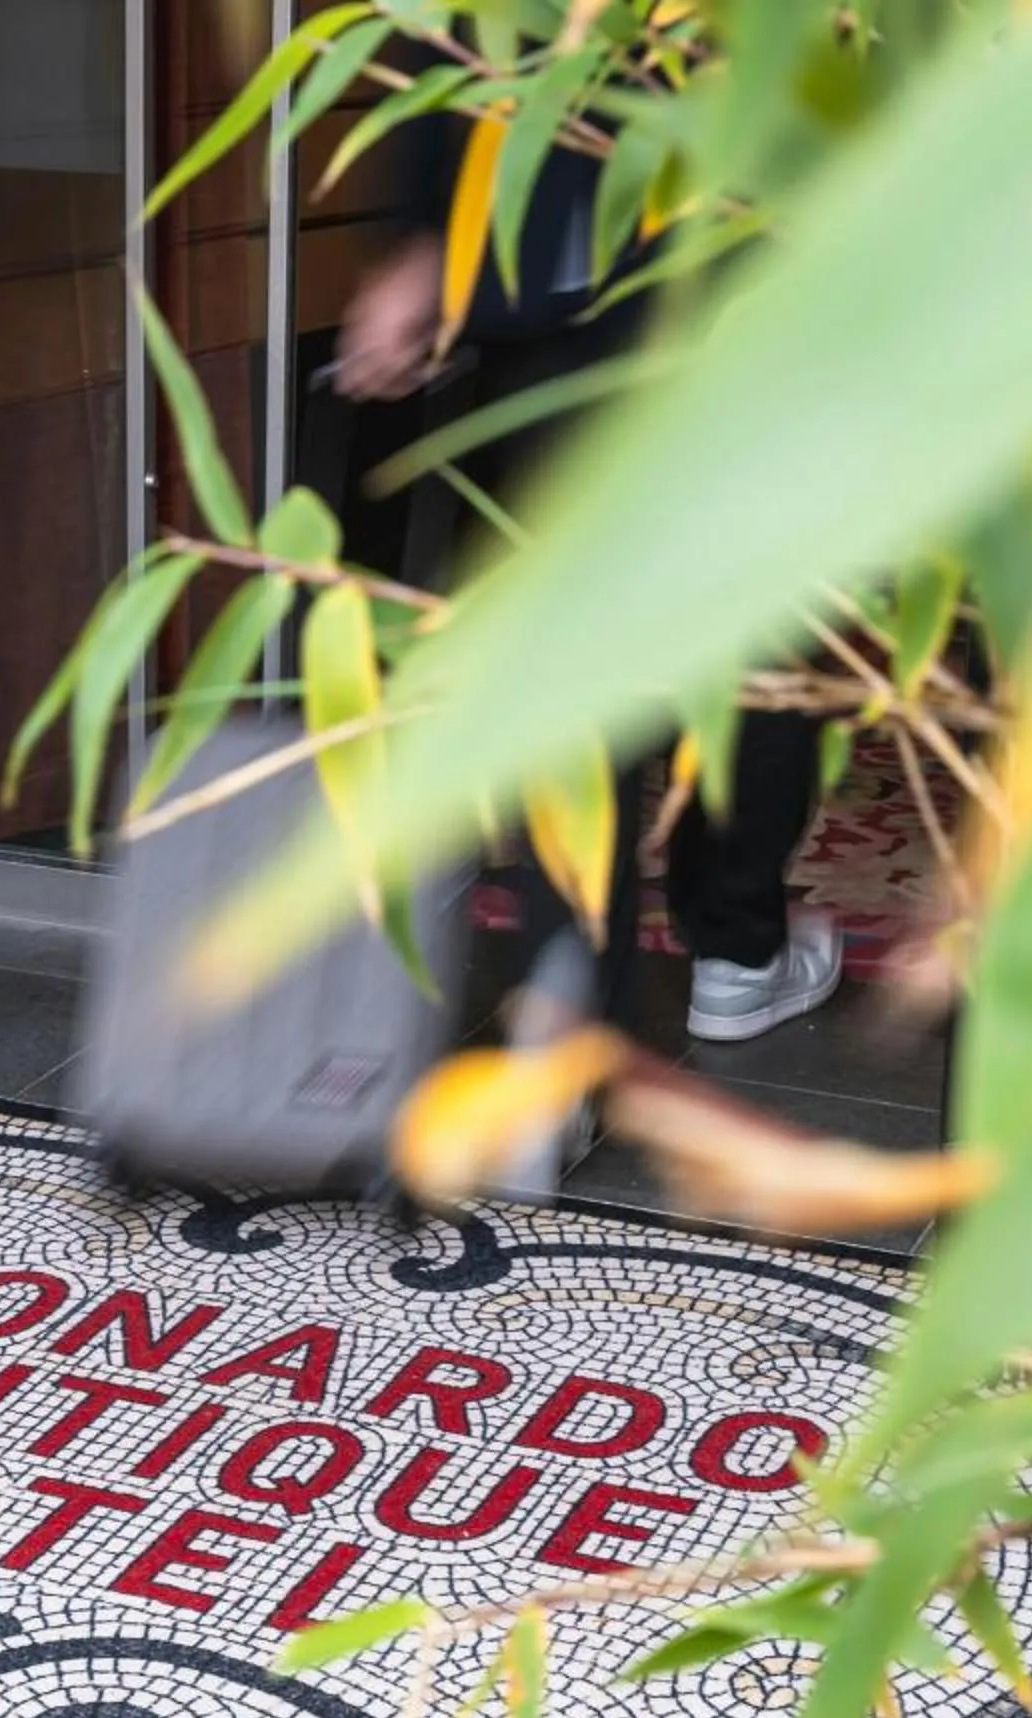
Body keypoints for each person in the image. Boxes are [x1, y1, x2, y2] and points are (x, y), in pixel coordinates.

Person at [333, 89, 844, 1053]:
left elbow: (457, 37)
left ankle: (573, 993)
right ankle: (733, 951)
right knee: (751, 618)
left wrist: (426, 238)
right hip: (746, 262)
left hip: (551, 271)